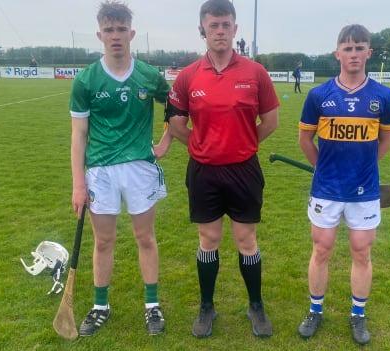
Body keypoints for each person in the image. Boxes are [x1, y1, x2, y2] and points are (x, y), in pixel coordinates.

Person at [164, 0, 279, 338]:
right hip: (204, 172)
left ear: (235, 29)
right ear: (203, 30)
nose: (219, 31)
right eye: (213, 25)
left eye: (225, 25)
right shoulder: (188, 76)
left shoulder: (255, 72)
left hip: (244, 170)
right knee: (209, 238)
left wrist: (243, 143)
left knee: (247, 240)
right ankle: (206, 306)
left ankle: (255, 305)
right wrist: (201, 147)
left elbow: (271, 121)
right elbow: (175, 123)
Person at [69, 0, 171, 337]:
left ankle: (152, 305)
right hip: (100, 171)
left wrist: (167, 140)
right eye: (109, 30)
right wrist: (78, 184)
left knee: (145, 237)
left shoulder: (148, 75)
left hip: (140, 167)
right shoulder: (86, 80)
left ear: (132, 33)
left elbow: (177, 107)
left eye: (121, 29)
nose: (116, 36)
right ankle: (100, 307)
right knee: (103, 242)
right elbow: (78, 135)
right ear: (100, 34)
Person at [296, 24, 390, 345]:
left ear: (369, 53)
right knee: (322, 249)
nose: (353, 54)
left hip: (364, 192)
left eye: (360, 48)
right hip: (326, 189)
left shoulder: (383, 96)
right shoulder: (319, 96)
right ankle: (315, 310)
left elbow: (386, 141)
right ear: (337, 53)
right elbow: (304, 139)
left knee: (362, 252)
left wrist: (363, 169)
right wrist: (323, 169)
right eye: (348, 48)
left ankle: (358, 315)